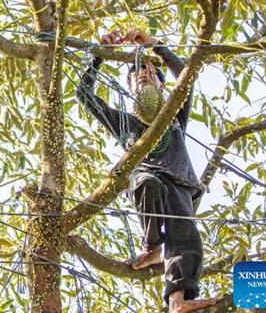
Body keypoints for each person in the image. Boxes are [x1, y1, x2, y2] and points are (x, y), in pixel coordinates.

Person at [75, 29, 217, 313]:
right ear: (130, 89)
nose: (142, 75)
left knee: (184, 234)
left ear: (162, 86)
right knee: (147, 183)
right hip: (145, 177)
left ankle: (178, 301)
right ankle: (153, 247)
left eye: (150, 73)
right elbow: (85, 95)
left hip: (179, 180)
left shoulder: (175, 112)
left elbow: (186, 75)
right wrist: (98, 57)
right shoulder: (125, 123)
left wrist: (156, 46)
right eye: (136, 75)